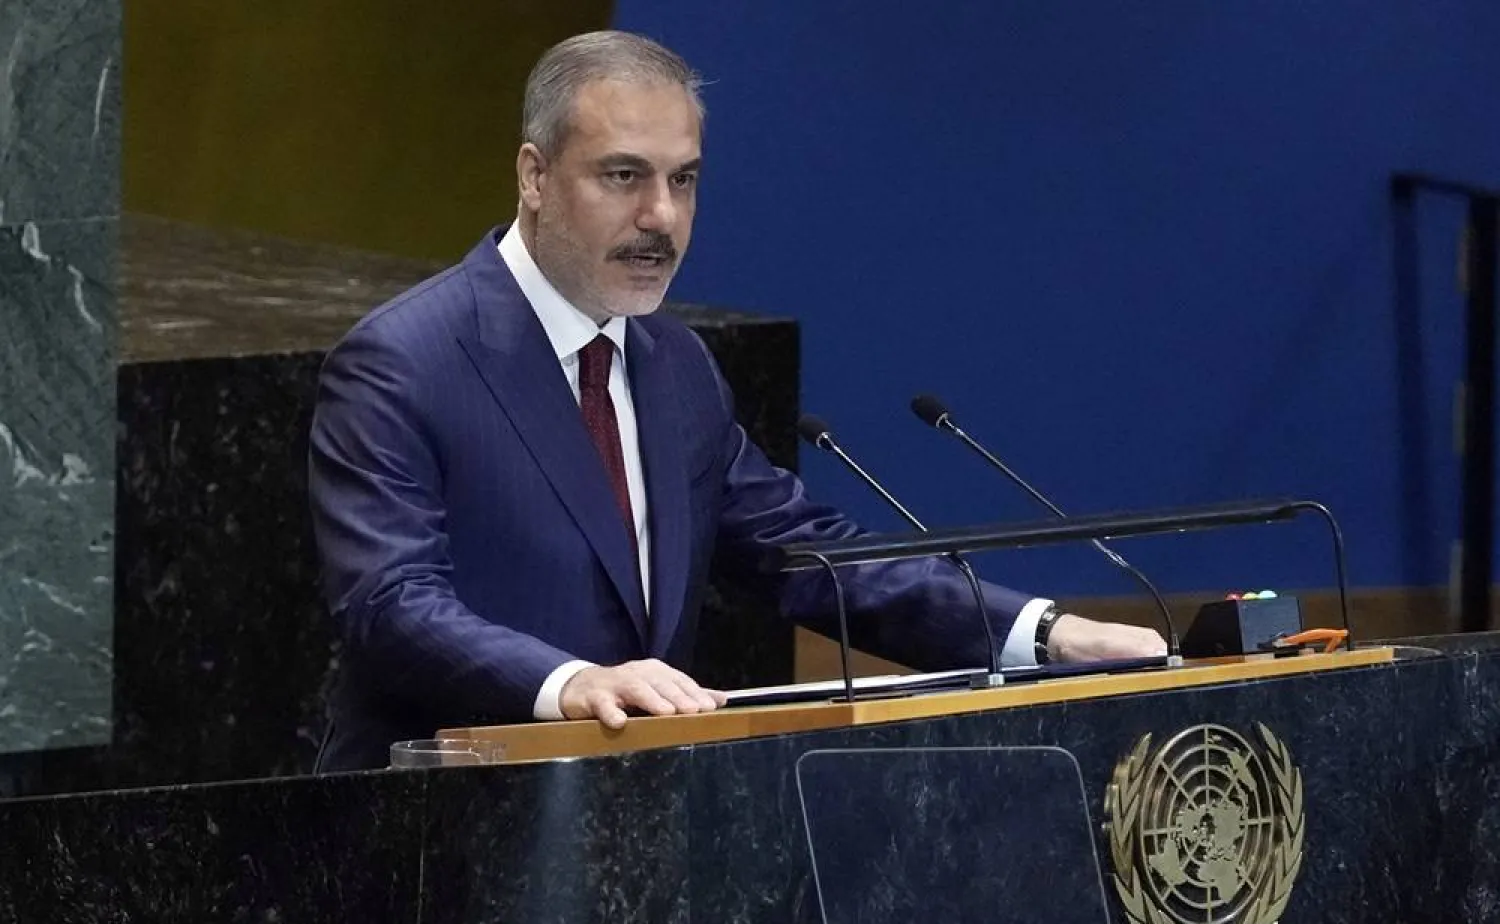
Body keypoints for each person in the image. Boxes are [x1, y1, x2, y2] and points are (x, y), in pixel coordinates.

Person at [308, 31, 1164, 772]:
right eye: (623, 176)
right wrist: (571, 685)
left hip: (632, 838)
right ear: (533, 176)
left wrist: (1043, 636)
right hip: (431, 843)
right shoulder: (406, 360)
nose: (661, 216)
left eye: (684, 181)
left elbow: (806, 556)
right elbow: (391, 604)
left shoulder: (674, 366)